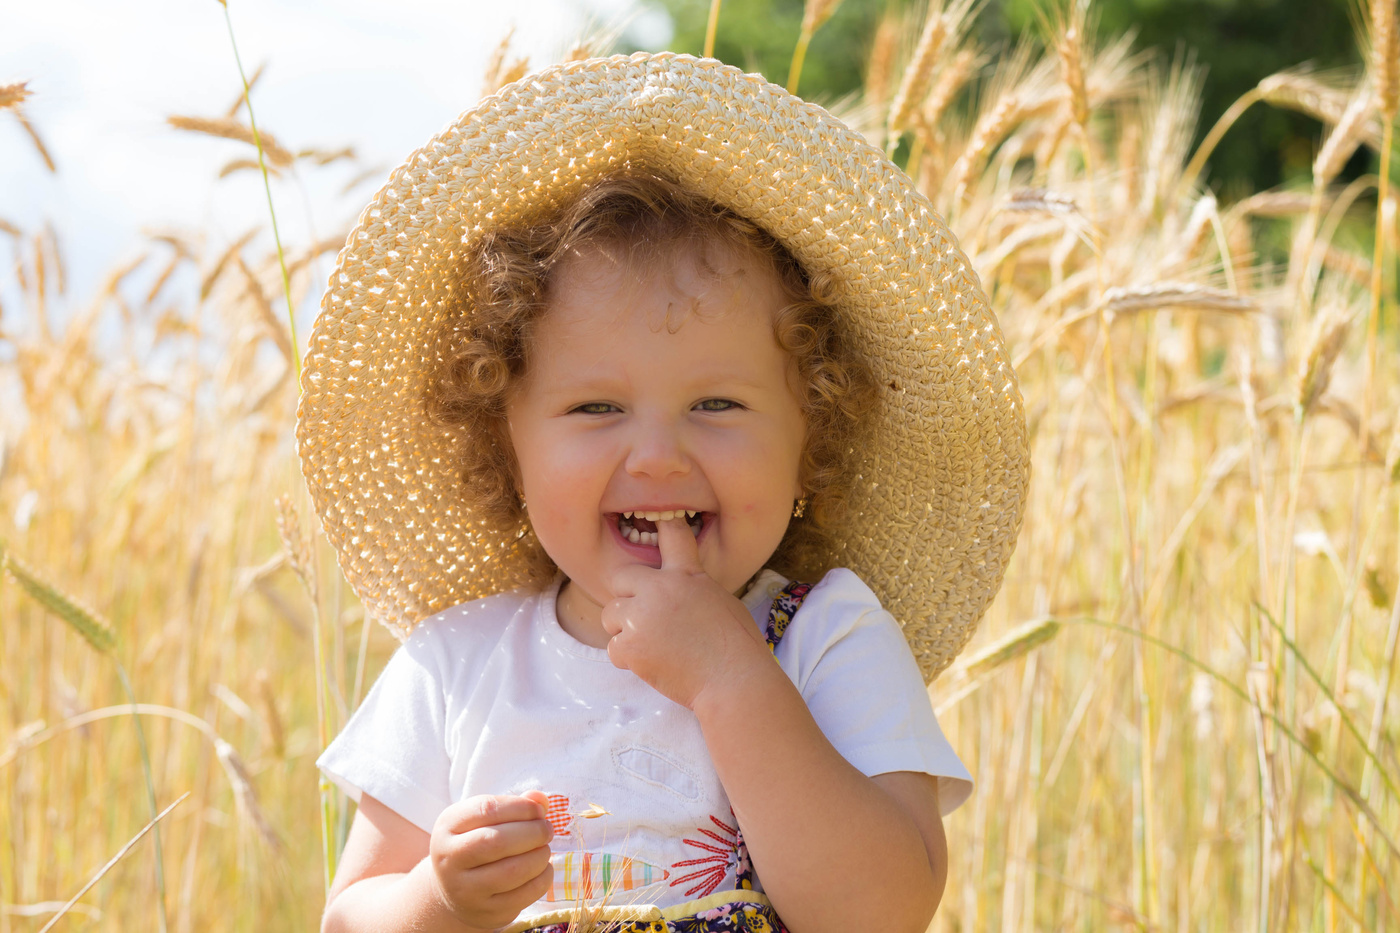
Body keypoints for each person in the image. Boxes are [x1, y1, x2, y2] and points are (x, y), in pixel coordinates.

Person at [298, 53, 1029, 933]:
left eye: (717, 404)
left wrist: (730, 676)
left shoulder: (827, 638)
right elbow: (350, 918)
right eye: (595, 406)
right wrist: (438, 898)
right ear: (506, 443)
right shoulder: (458, 663)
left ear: (814, 434)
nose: (656, 455)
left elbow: (881, 910)